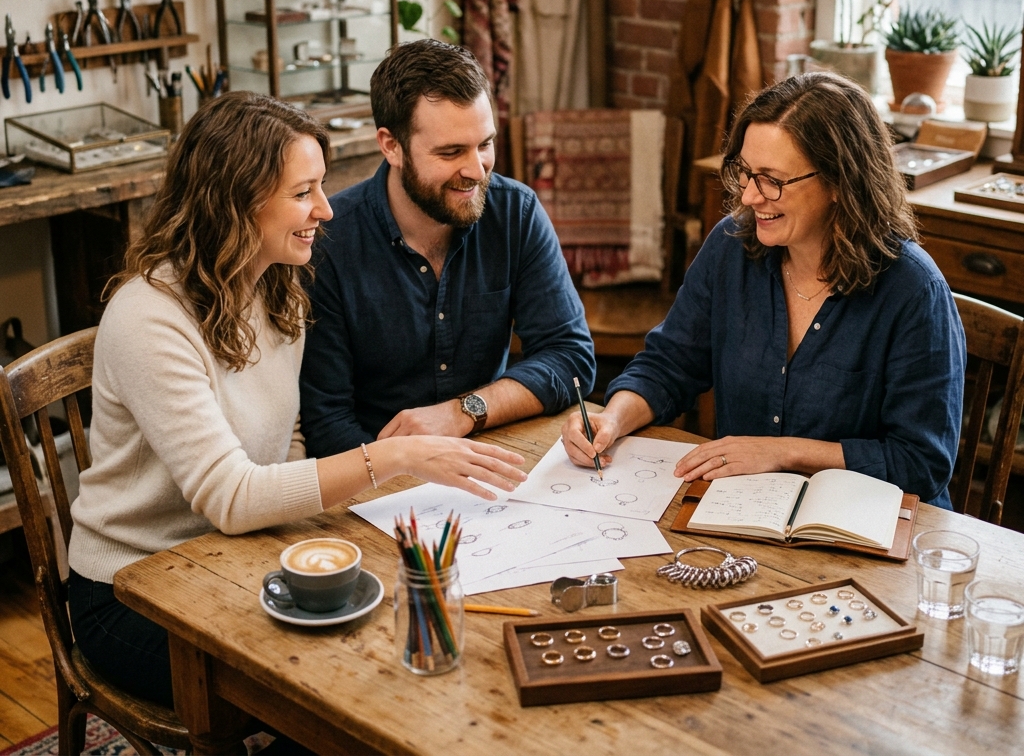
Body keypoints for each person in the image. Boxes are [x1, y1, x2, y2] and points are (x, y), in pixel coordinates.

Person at [68, 92, 527, 712]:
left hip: (227, 555)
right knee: (325, 687)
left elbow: (286, 442)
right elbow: (230, 497)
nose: (326, 209)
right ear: (236, 201)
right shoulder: (149, 318)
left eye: (322, 186)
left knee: (368, 644)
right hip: (132, 586)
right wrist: (395, 456)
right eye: (303, 191)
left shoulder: (276, 288)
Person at [561, 72, 965, 508]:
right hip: (747, 509)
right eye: (745, 173)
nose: (750, 196)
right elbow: (668, 365)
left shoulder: (913, 290)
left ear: (839, 182)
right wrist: (612, 419)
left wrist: (782, 453)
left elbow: (921, 462)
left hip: (865, 524)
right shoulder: (731, 246)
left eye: (772, 180)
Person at [299, 39, 596, 458]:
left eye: (485, 144)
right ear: (391, 145)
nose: (476, 170)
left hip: (493, 452)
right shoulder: (329, 241)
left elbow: (570, 358)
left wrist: (464, 411)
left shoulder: (516, 212)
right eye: (451, 152)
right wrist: (409, 472)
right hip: (379, 471)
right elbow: (326, 422)